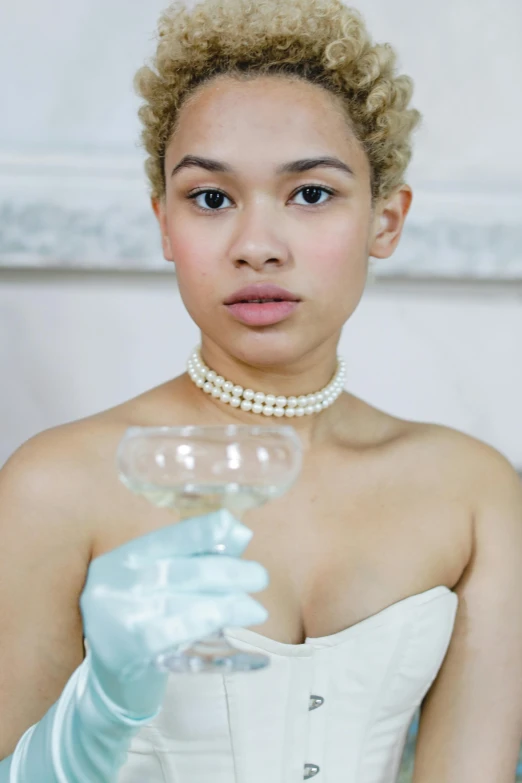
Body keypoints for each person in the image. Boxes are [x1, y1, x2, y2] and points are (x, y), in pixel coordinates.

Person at [1, 0, 522, 780]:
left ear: (386, 219)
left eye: (311, 193)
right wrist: (102, 708)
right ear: (164, 225)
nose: (256, 247)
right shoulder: (53, 485)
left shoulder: (476, 491)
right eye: (210, 198)